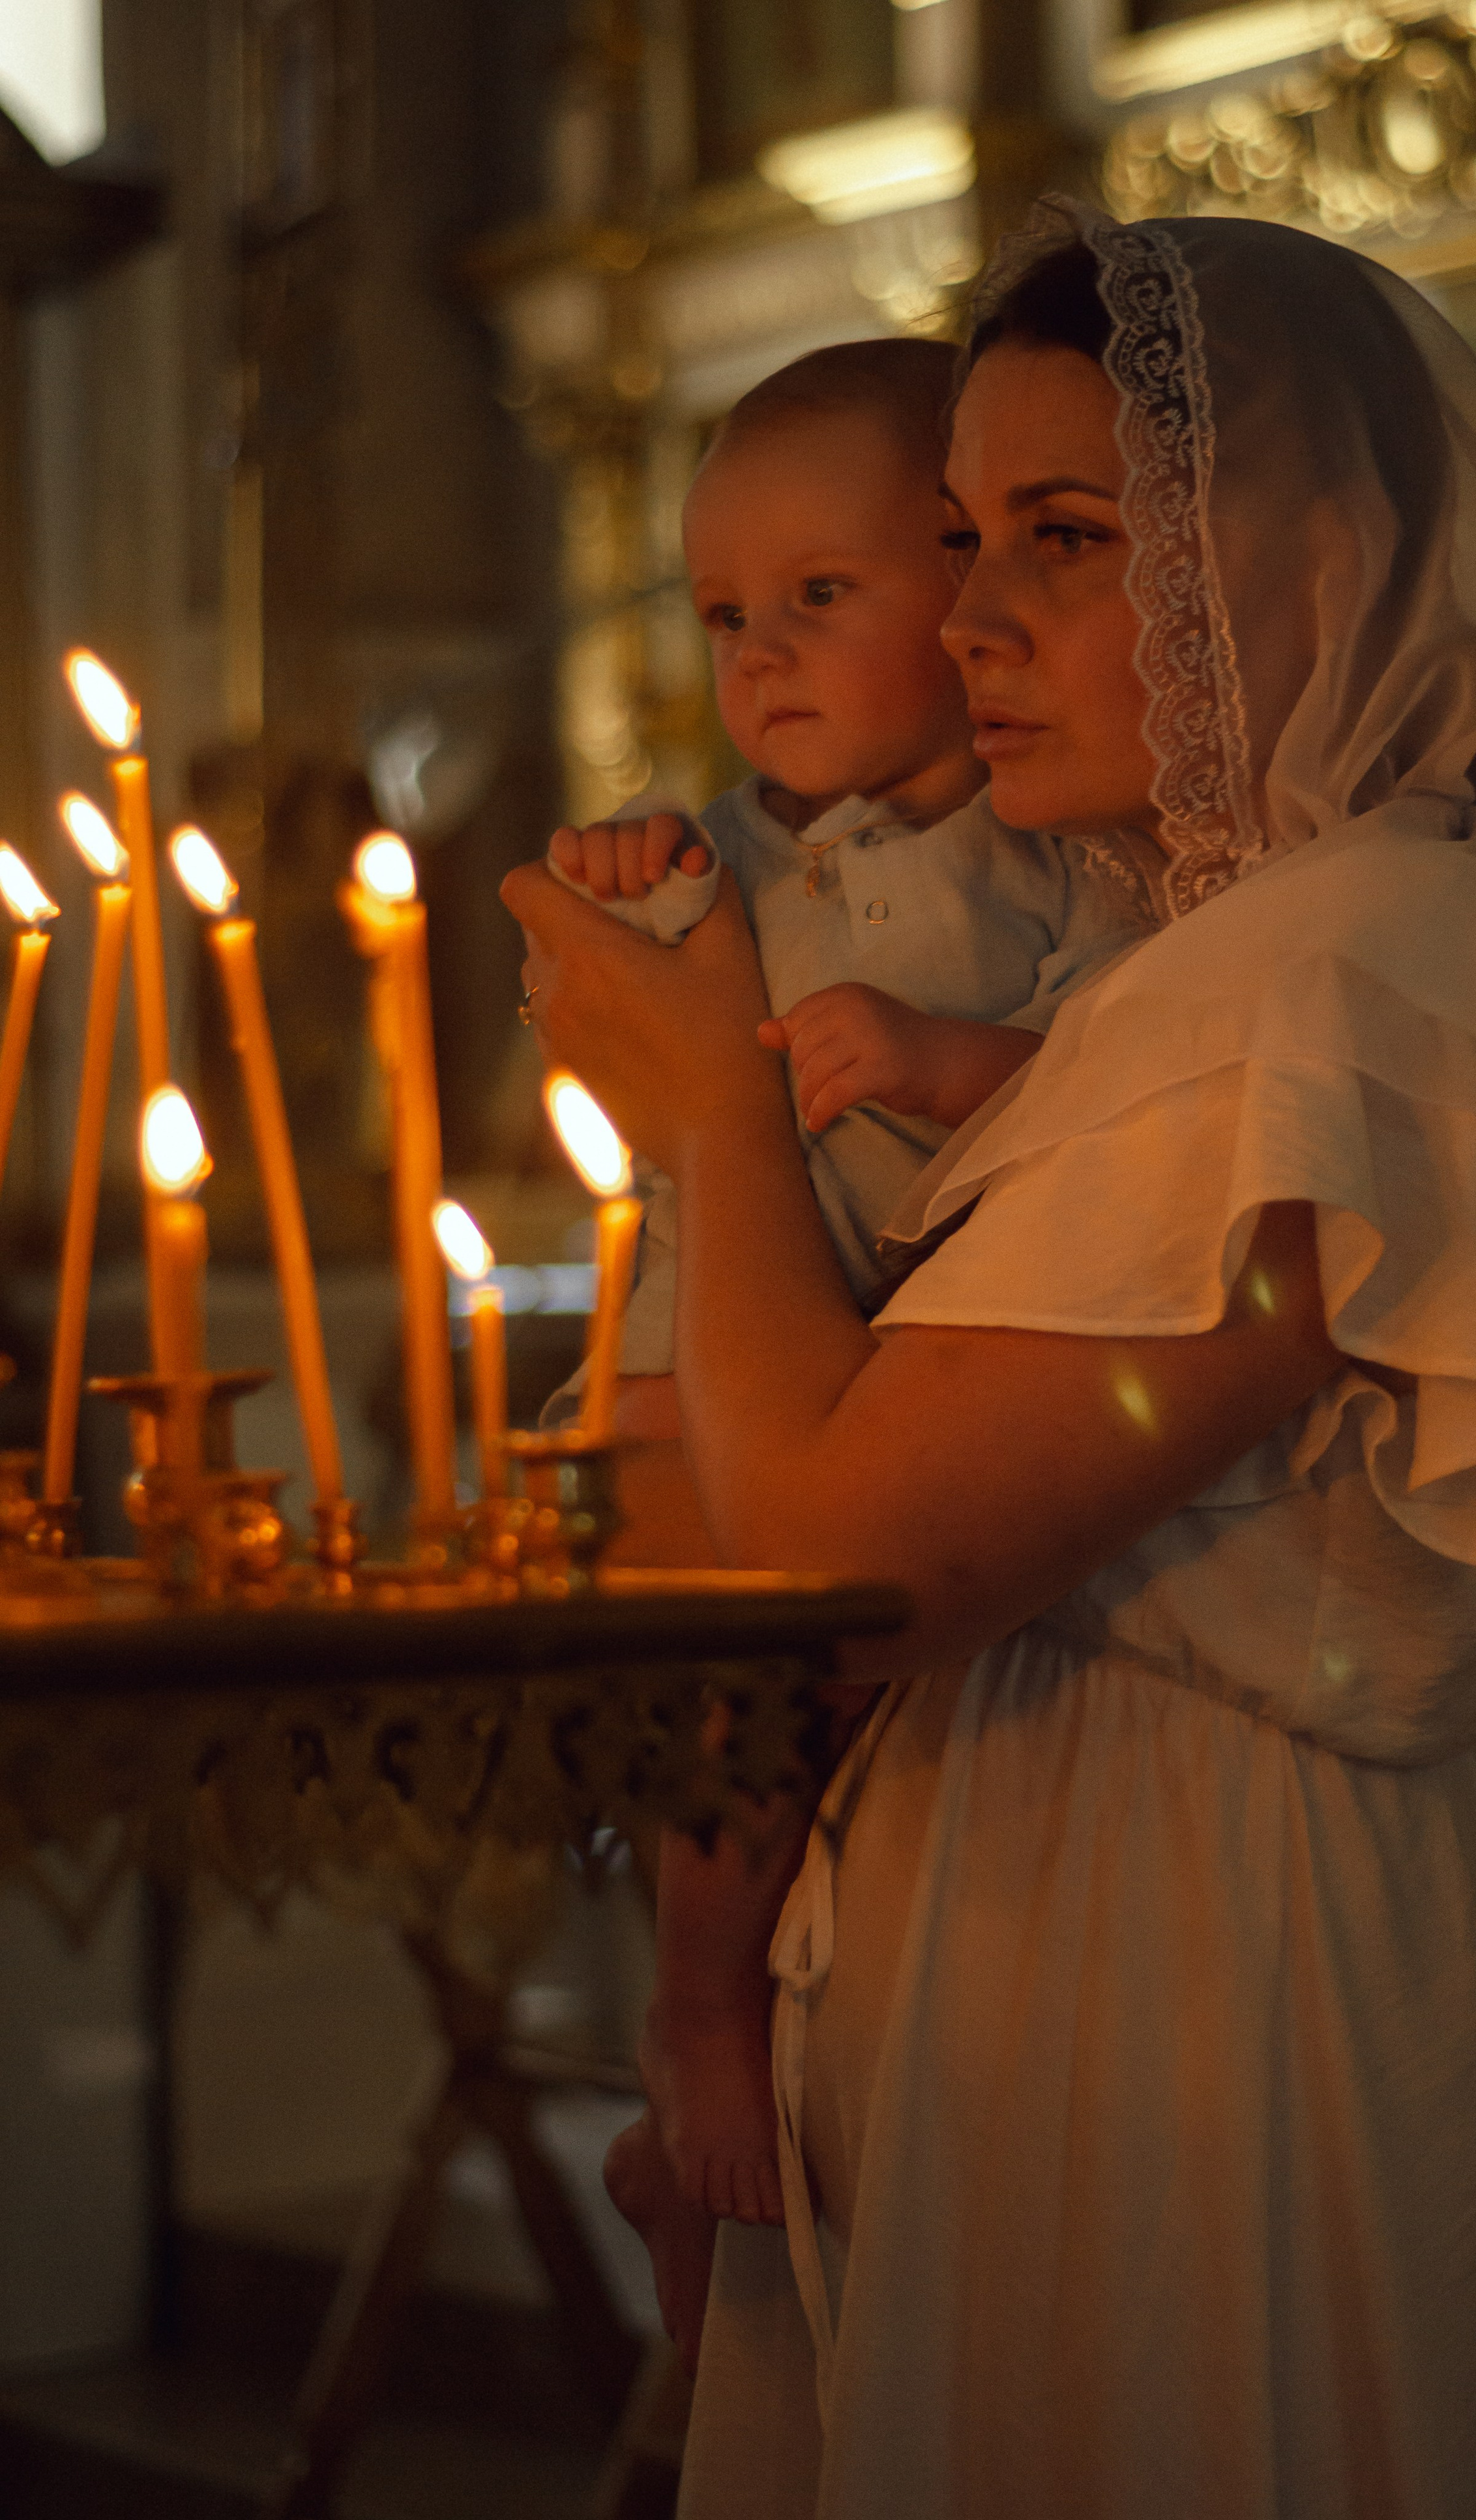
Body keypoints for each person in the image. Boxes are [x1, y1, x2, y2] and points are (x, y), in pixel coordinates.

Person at [505, 199, 1476, 2517]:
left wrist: (712, 1098)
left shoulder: (1348, 973)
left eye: (1067, 534)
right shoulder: (1191, 966)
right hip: (1052, 1913)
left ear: (1300, 558)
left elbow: (842, 1552)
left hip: (1182, 1958)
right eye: (960, 538)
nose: (972, 620)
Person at [544, 335, 1147, 2238]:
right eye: (726, 615)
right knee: (704, 1693)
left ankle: (711, 2062)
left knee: (815, 1707)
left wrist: (941, 1059)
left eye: (821, 595)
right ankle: (690, 2012)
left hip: (886, 1375)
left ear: (962, 587)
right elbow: (608, 996)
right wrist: (616, 880)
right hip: (689, 1347)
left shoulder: (1060, 860)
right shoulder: (721, 852)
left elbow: (1128, 1082)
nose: (761, 658)